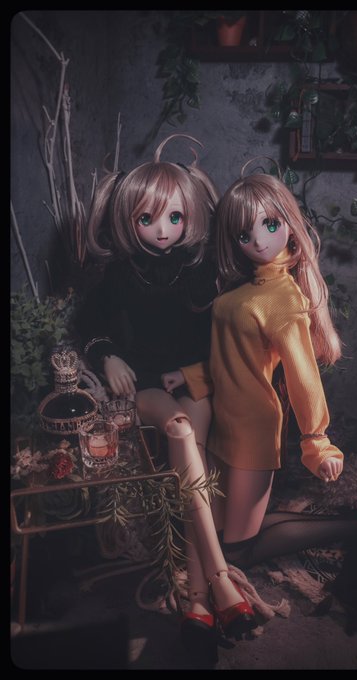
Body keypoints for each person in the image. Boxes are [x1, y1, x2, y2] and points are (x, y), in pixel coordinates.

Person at [162, 167, 357, 573]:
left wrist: (317, 440)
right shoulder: (243, 289)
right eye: (244, 235)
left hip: (254, 427)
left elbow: (302, 375)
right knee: (221, 537)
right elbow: (234, 358)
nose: (259, 240)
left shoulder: (284, 298)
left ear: (289, 225)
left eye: (270, 225)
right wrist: (191, 377)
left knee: (236, 552)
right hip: (224, 421)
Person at [77, 135, 256, 663]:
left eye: (174, 218)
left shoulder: (201, 269)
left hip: (190, 380)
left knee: (190, 441)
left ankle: (198, 602)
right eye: (147, 219)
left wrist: (195, 372)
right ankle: (219, 580)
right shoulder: (119, 273)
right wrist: (107, 356)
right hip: (146, 386)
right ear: (129, 220)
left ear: (189, 217)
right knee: (180, 430)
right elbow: (89, 325)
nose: (162, 230)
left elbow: (217, 340)